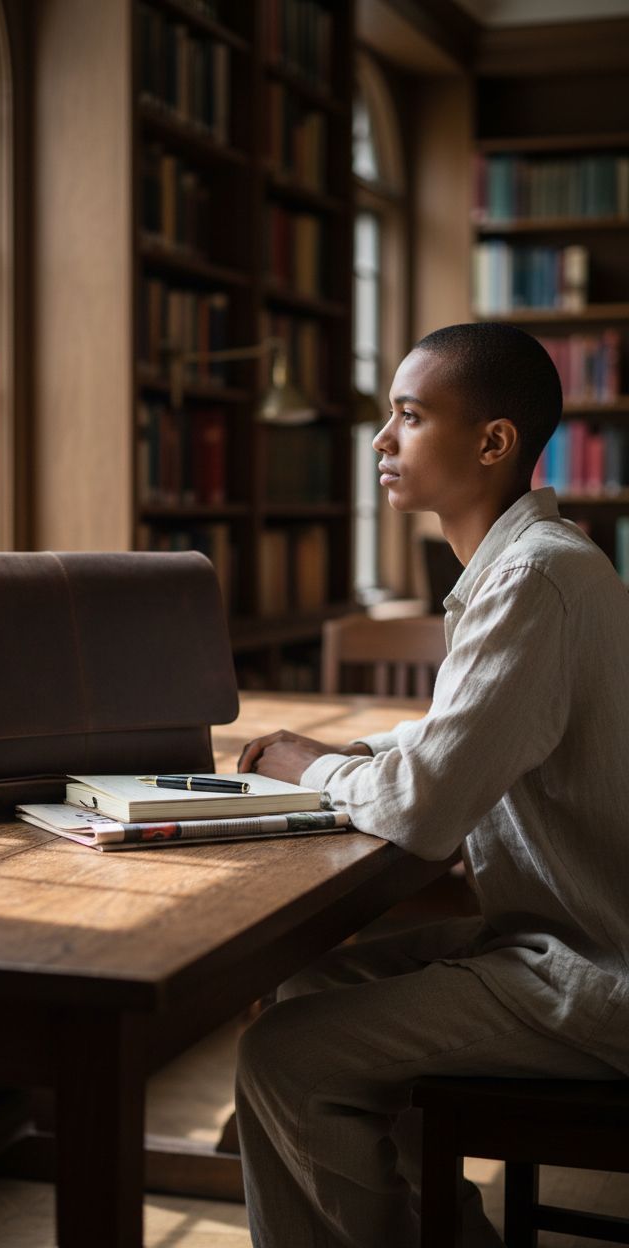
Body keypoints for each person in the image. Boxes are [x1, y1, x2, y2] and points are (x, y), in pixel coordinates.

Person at [234, 322, 629, 1248]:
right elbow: (468, 735)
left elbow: (425, 811)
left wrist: (317, 768)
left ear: (492, 442)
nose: (381, 440)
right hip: (561, 937)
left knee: (284, 1057)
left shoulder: (534, 579)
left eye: (409, 416)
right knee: (306, 992)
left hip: (598, 969)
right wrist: (351, 754)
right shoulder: (545, 564)